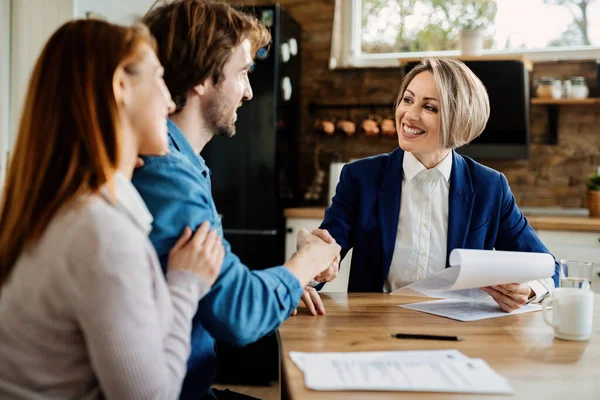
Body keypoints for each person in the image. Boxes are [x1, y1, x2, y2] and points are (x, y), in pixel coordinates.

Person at [0, 19, 226, 399]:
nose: (170, 102)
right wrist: (185, 285)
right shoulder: (100, 232)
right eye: (158, 77)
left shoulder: (53, 207)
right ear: (121, 86)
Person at [132, 1, 340, 398]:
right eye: (242, 73)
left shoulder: (185, 165)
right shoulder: (167, 173)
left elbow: (222, 289)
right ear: (200, 79)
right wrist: (308, 260)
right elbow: (238, 315)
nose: (248, 93)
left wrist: (286, 282)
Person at [319, 58, 559, 312]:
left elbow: (548, 266)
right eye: (408, 100)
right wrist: (316, 268)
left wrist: (529, 289)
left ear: (460, 118)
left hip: (461, 330)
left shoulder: (490, 186)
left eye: (430, 107)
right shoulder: (360, 177)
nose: (409, 115)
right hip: (374, 325)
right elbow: (325, 252)